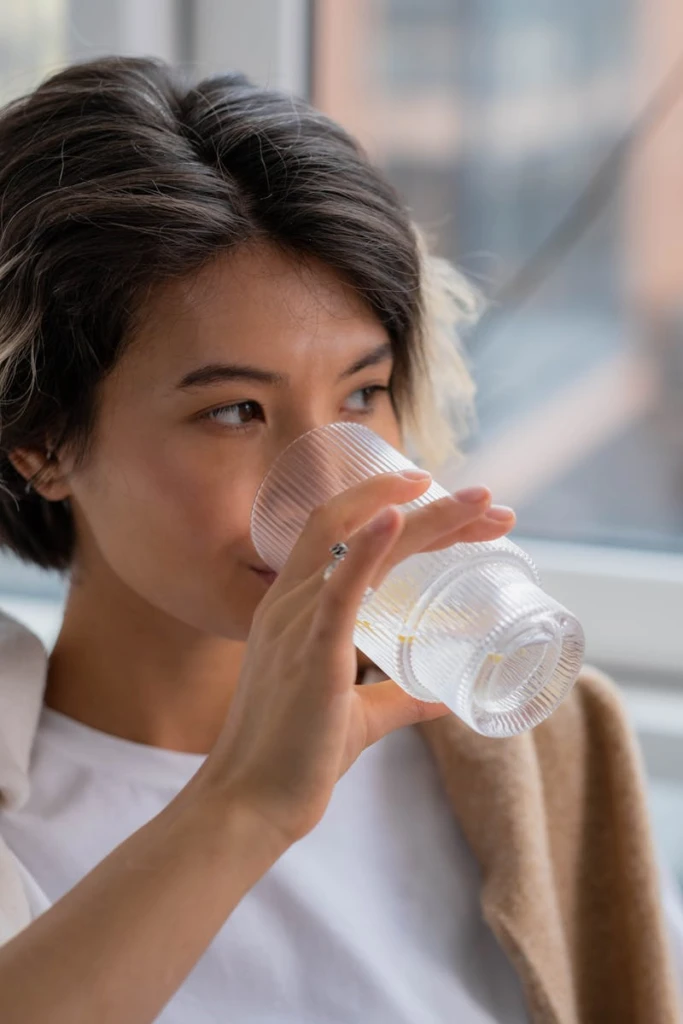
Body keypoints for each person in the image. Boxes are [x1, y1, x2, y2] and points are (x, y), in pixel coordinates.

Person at [0, 56, 679, 1024]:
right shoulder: (24, 820)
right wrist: (245, 802)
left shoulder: (523, 757)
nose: (329, 486)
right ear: (40, 443)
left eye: (362, 394)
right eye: (235, 410)